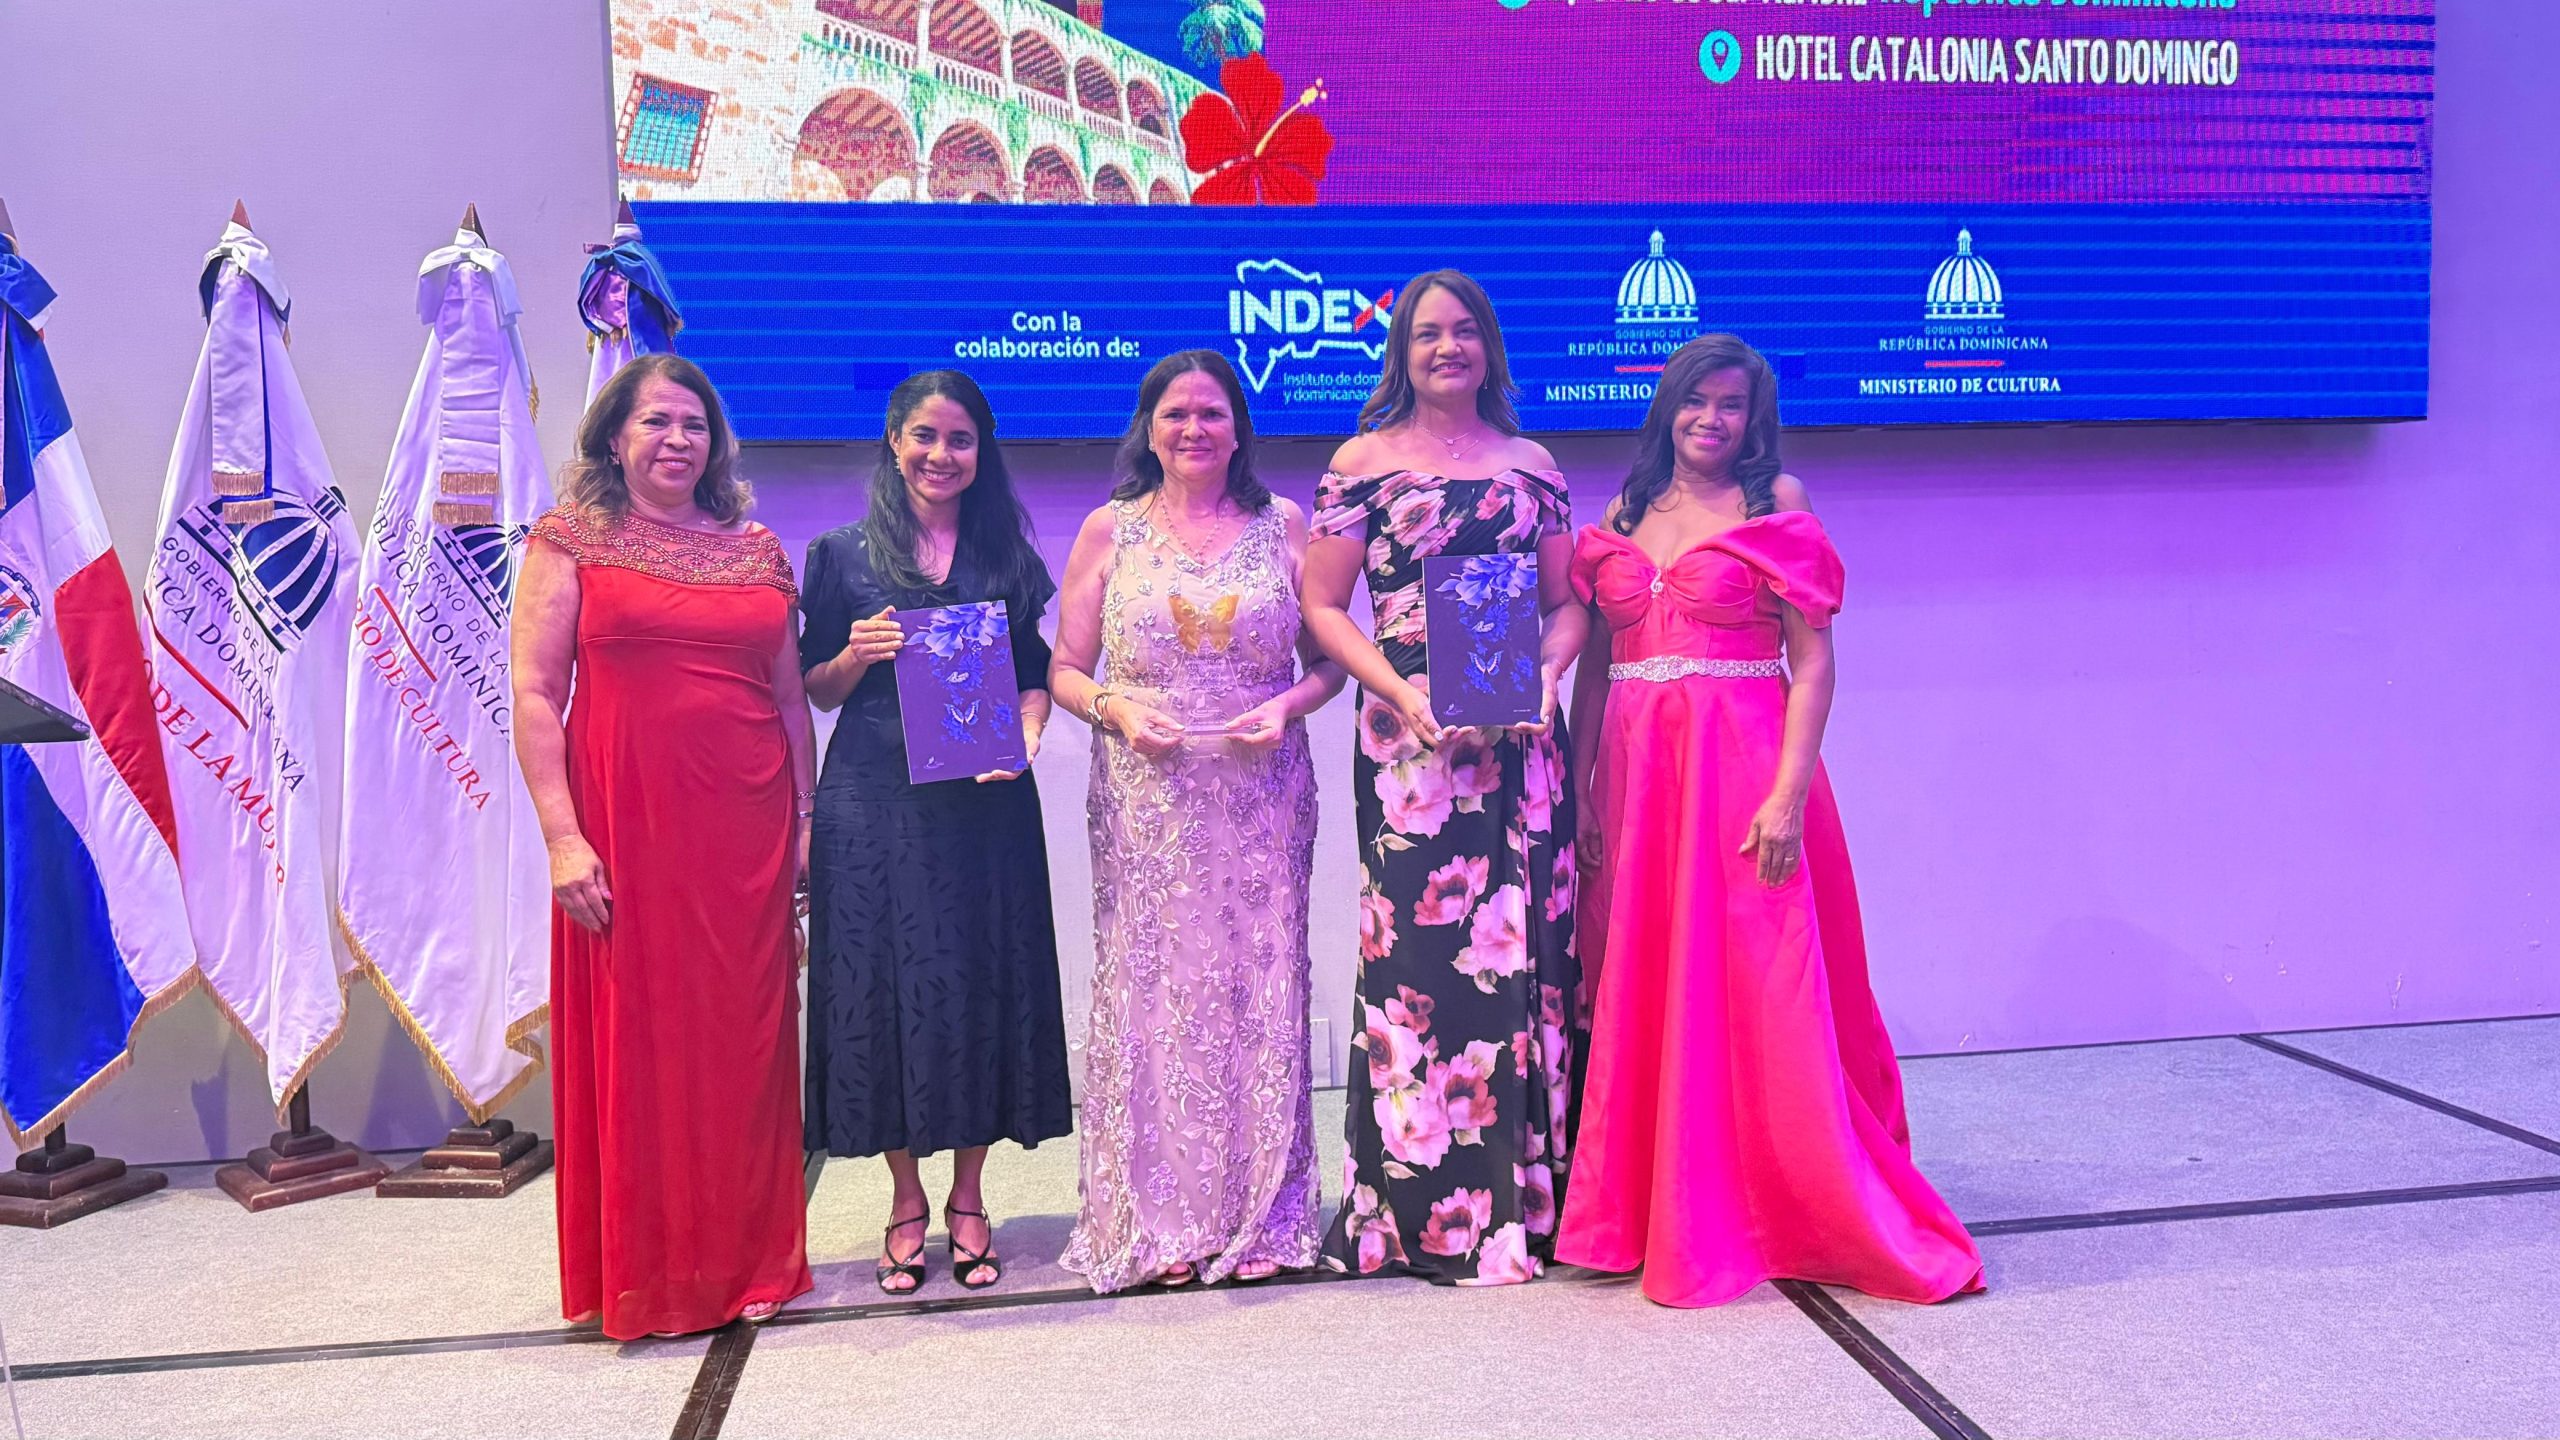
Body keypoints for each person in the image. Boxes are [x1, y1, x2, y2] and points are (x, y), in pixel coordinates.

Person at [1557, 334, 1983, 1307]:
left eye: (1731, 405)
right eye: (1696, 400)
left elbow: (1814, 662)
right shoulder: (1623, 510)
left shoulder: (1775, 503)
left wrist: (1788, 795)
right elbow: (1595, 673)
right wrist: (1580, 788)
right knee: (1643, 976)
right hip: (1637, 781)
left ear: (1753, 419)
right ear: (1667, 405)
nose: (1711, 419)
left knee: (1757, 983)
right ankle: (1641, 1206)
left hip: (1745, 774)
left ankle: (1776, 1204)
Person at [511, 354, 814, 1339]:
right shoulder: (570, 539)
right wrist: (563, 838)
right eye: (656, 422)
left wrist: (806, 823)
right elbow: (533, 694)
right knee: (641, 1046)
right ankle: (650, 1272)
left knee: (746, 1050)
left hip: (748, 836)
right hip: (626, 830)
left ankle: (753, 1260)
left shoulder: (757, 550)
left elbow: (787, 699)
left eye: (694, 424)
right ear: (614, 436)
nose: (678, 440)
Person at [1302, 271, 1585, 1285]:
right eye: (1427, 333)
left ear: (1489, 346)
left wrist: (1546, 677)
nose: (1447, 348)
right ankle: (1417, 1213)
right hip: (1409, 744)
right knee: (1418, 963)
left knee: (1526, 957)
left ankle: (1530, 1207)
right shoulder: (1361, 464)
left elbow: (1566, 604)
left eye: (1465, 331)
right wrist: (1397, 689)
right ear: (1402, 351)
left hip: (1520, 745)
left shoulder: (1532, 463)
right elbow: (1324, 608)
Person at [1049, 350, 1346, 1292]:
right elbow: (1065, 670)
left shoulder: (1283, 524)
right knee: (1157, 993)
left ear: (1238, 428)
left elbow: (1331, 661)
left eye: (1211, 413)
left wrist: (1289, 705)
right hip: (1148, 801)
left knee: (1258, 988)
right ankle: (1160, 1220)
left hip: (1262, 796)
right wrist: (1114, 710)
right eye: (1174, 413)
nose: (1192, 429)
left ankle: (1257, 1214)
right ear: (1148, 427)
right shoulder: (1110, 529)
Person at [799, 370, 1072, 1295]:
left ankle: (969, 1197)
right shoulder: (841, 553)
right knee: (882, 992)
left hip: (984, 808)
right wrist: (853, 653)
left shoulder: (1007, 556)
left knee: (977, 990)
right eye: (924, 435)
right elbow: (815, 687)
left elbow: (1033, 676)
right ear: (893, 439)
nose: (940, 455)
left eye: (959, 439)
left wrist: (1027, 739)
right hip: (873, 806)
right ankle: (906, 1199)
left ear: (980, 450)